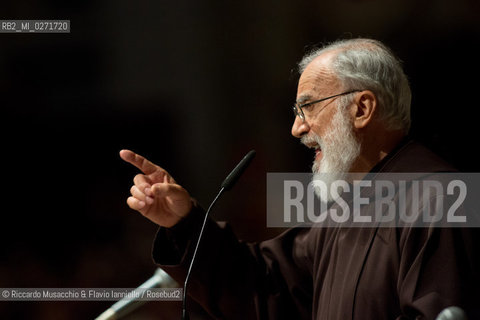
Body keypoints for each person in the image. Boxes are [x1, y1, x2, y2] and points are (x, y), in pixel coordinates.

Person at [119, 39, 479, 319]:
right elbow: (267, 288)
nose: (297, 128)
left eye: (308, 107)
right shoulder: (350, 206)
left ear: (362, 109)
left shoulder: (440, 199)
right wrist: (184, 223)